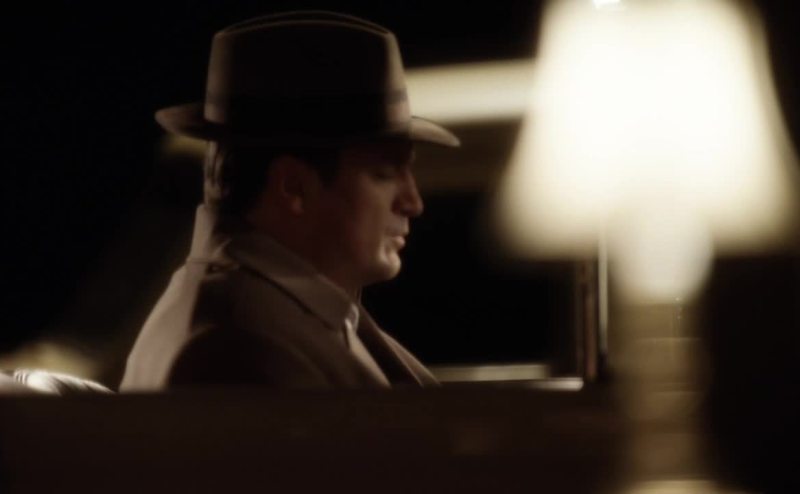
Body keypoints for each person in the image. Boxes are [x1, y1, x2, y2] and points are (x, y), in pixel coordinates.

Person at [120, 11, 459, 390]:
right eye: (384, 173)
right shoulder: (241, 346)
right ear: (293, 187)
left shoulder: (287, 313)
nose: (413, 202)